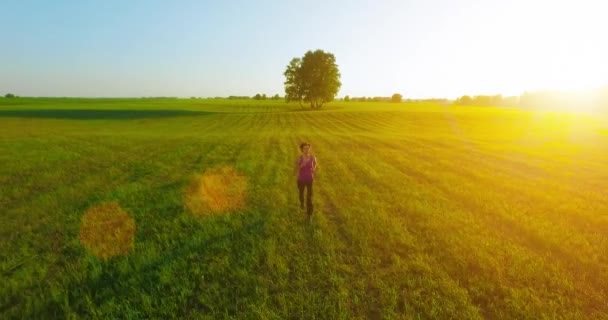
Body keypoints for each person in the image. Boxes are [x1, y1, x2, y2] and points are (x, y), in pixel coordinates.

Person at [294, 142, 317, 218]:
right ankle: (302, 203)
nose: (307, 150)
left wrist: (313, 168)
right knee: (301, 194)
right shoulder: (299, 158)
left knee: (309, 198)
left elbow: (315, 164)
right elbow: (295, 170)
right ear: (302, 150)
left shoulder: (313, 157)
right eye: (305, 148)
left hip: (310, 179)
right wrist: (301, 166)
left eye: (308, 148)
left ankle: (309, 215)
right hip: (301, 180)